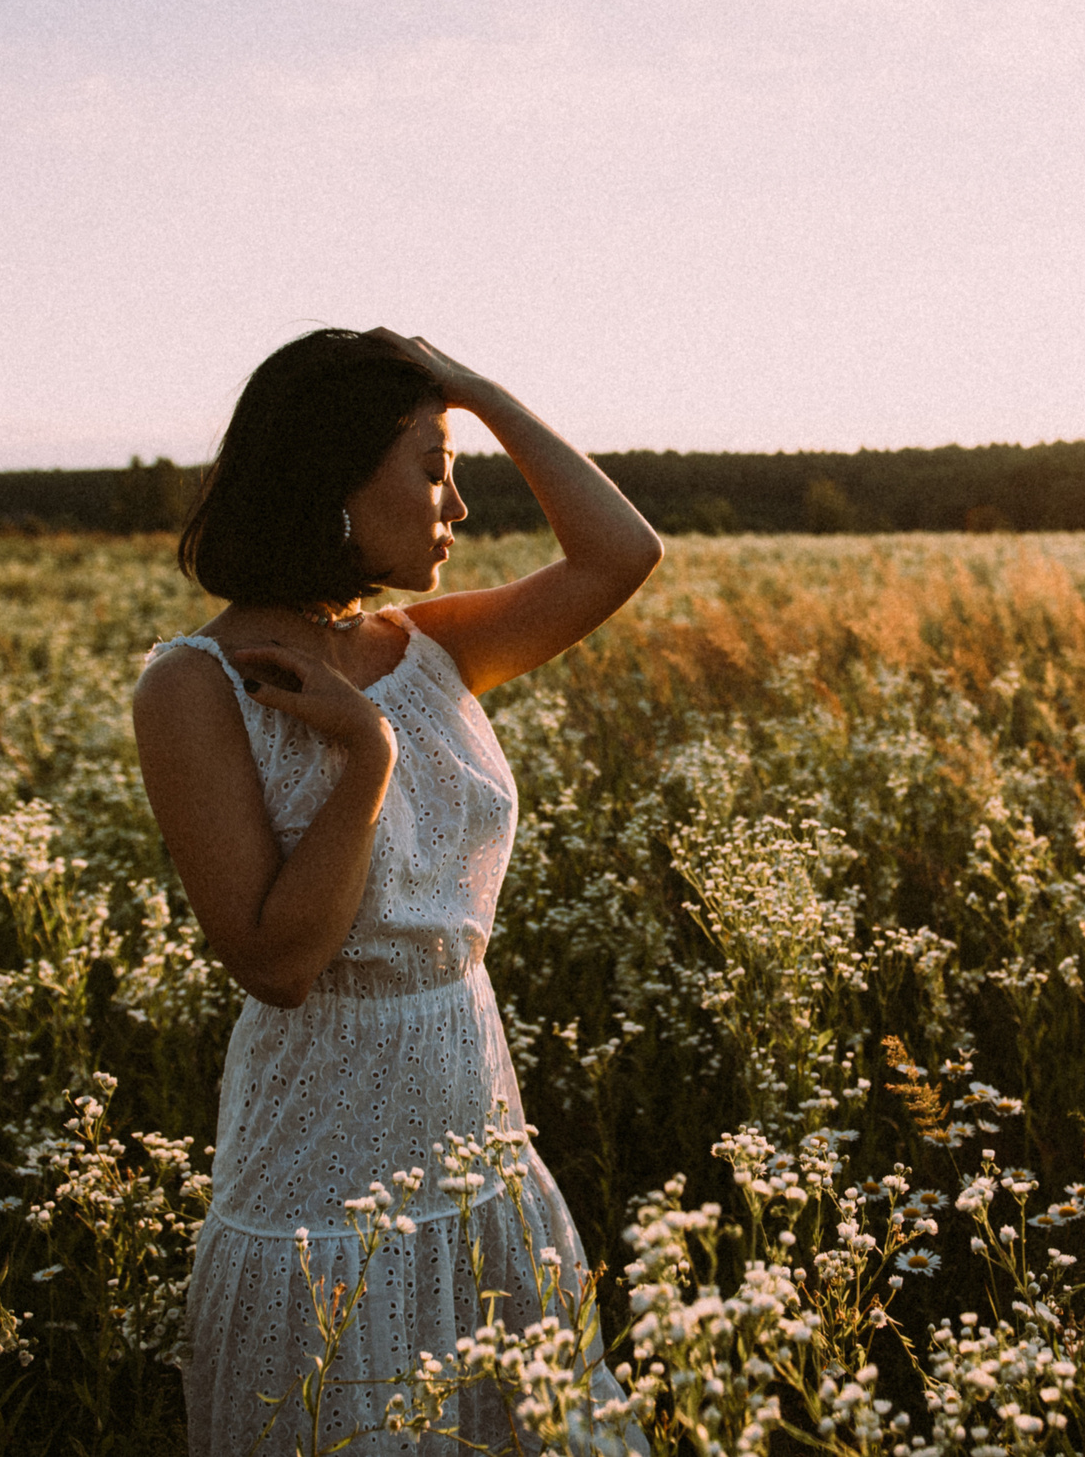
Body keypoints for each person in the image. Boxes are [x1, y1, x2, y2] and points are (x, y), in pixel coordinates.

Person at [131, 327, 662, 1457]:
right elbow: (277, 962)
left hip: (477, 1134)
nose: (456, 503)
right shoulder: (197, 684)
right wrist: (364, 759)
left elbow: (620, 552)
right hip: (322, 1176)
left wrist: (476, 394)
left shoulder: (426, 644)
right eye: (431, 466)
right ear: (331, 480)